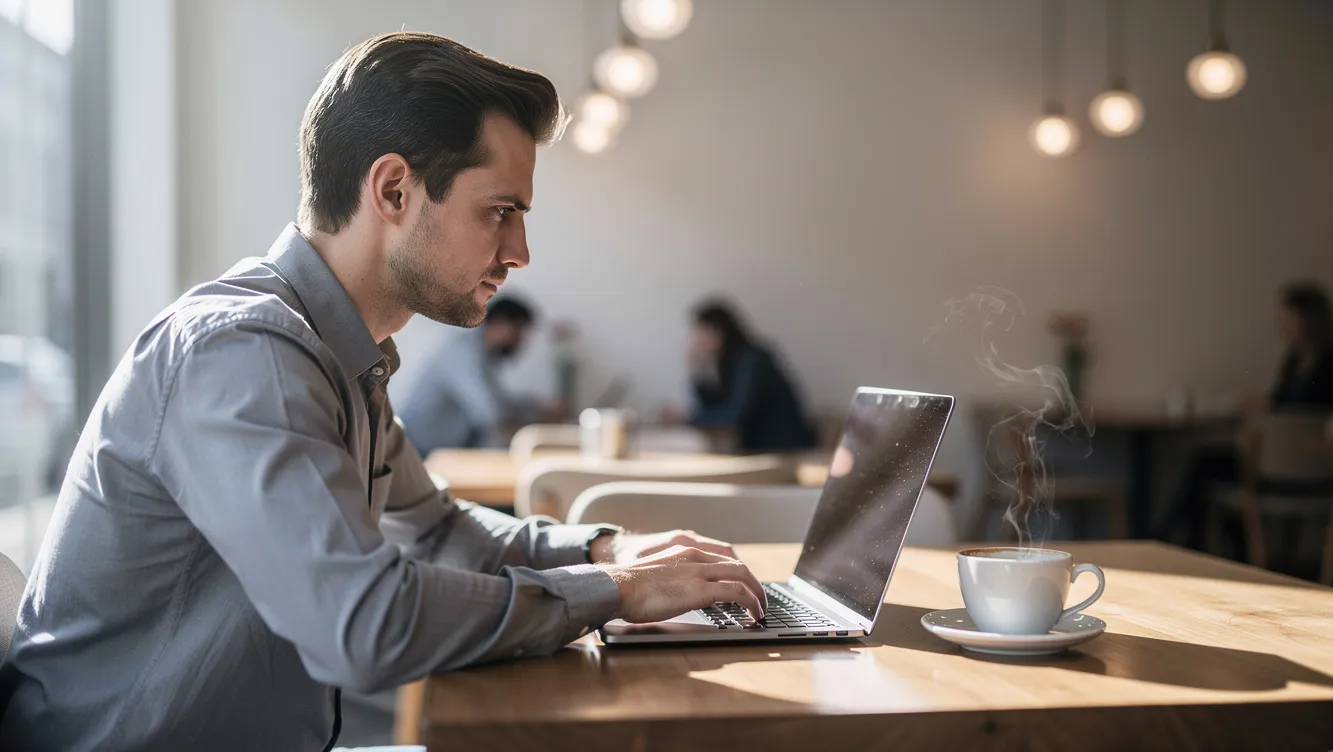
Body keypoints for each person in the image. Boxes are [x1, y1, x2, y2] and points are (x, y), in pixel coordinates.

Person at [0, 33, 767, 751]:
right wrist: (612, 590)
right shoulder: (241, 354)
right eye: (500, 212)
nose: (520, 252)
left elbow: (436, 531)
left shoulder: (339, 359)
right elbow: (364, 626)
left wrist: (608, 549)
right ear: (395, 189)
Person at [1162, 281, 1333, 551]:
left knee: (1206, 465)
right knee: (1210, 466)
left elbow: (1299, 413)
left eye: (1287, 316)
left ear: (1306, 319)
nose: (1281, 323)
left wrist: (1266, 409)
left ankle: (1172, 538)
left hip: (1296, 470)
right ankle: (1201, 542)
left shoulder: (1328, 368)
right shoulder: (1297, 362)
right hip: (1313, 473)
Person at [399, 295, 561, 454]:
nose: (521, 341)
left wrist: (538, 408)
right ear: (499, 324)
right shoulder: (461, 354)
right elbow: (490, 414)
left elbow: (500, 400)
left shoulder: (483, 354)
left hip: (442, 451)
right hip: (417, 454)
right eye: (518, 331)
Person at [680, 300, 816, 451]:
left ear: (719, 331)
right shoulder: (730, 361)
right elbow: (714, 406)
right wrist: (697, 372)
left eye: (701, 332)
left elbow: (734, 416)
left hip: (783, 448)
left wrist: (687, 419)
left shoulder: (752, 359)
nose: (698, 341)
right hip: (759, 447)